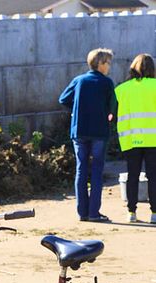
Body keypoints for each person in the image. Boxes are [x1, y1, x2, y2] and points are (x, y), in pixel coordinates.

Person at [59, 48, 117, 222]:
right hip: (99, 131)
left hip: (79, 130)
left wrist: (77, 109)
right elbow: (113, 106)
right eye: (108, 62)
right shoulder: (106, 83)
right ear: (100, 63)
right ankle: (94, 213)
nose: (109, 66)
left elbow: (63, 99)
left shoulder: (79, 80)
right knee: (97, 171)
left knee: (81, 169)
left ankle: (82, 212)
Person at [115, 53, 156, 224]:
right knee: (154, 176)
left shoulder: (122, 89)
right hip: (153, 140)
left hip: (132, 140)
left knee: (133, 175)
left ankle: (131, 212)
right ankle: (154, 213)